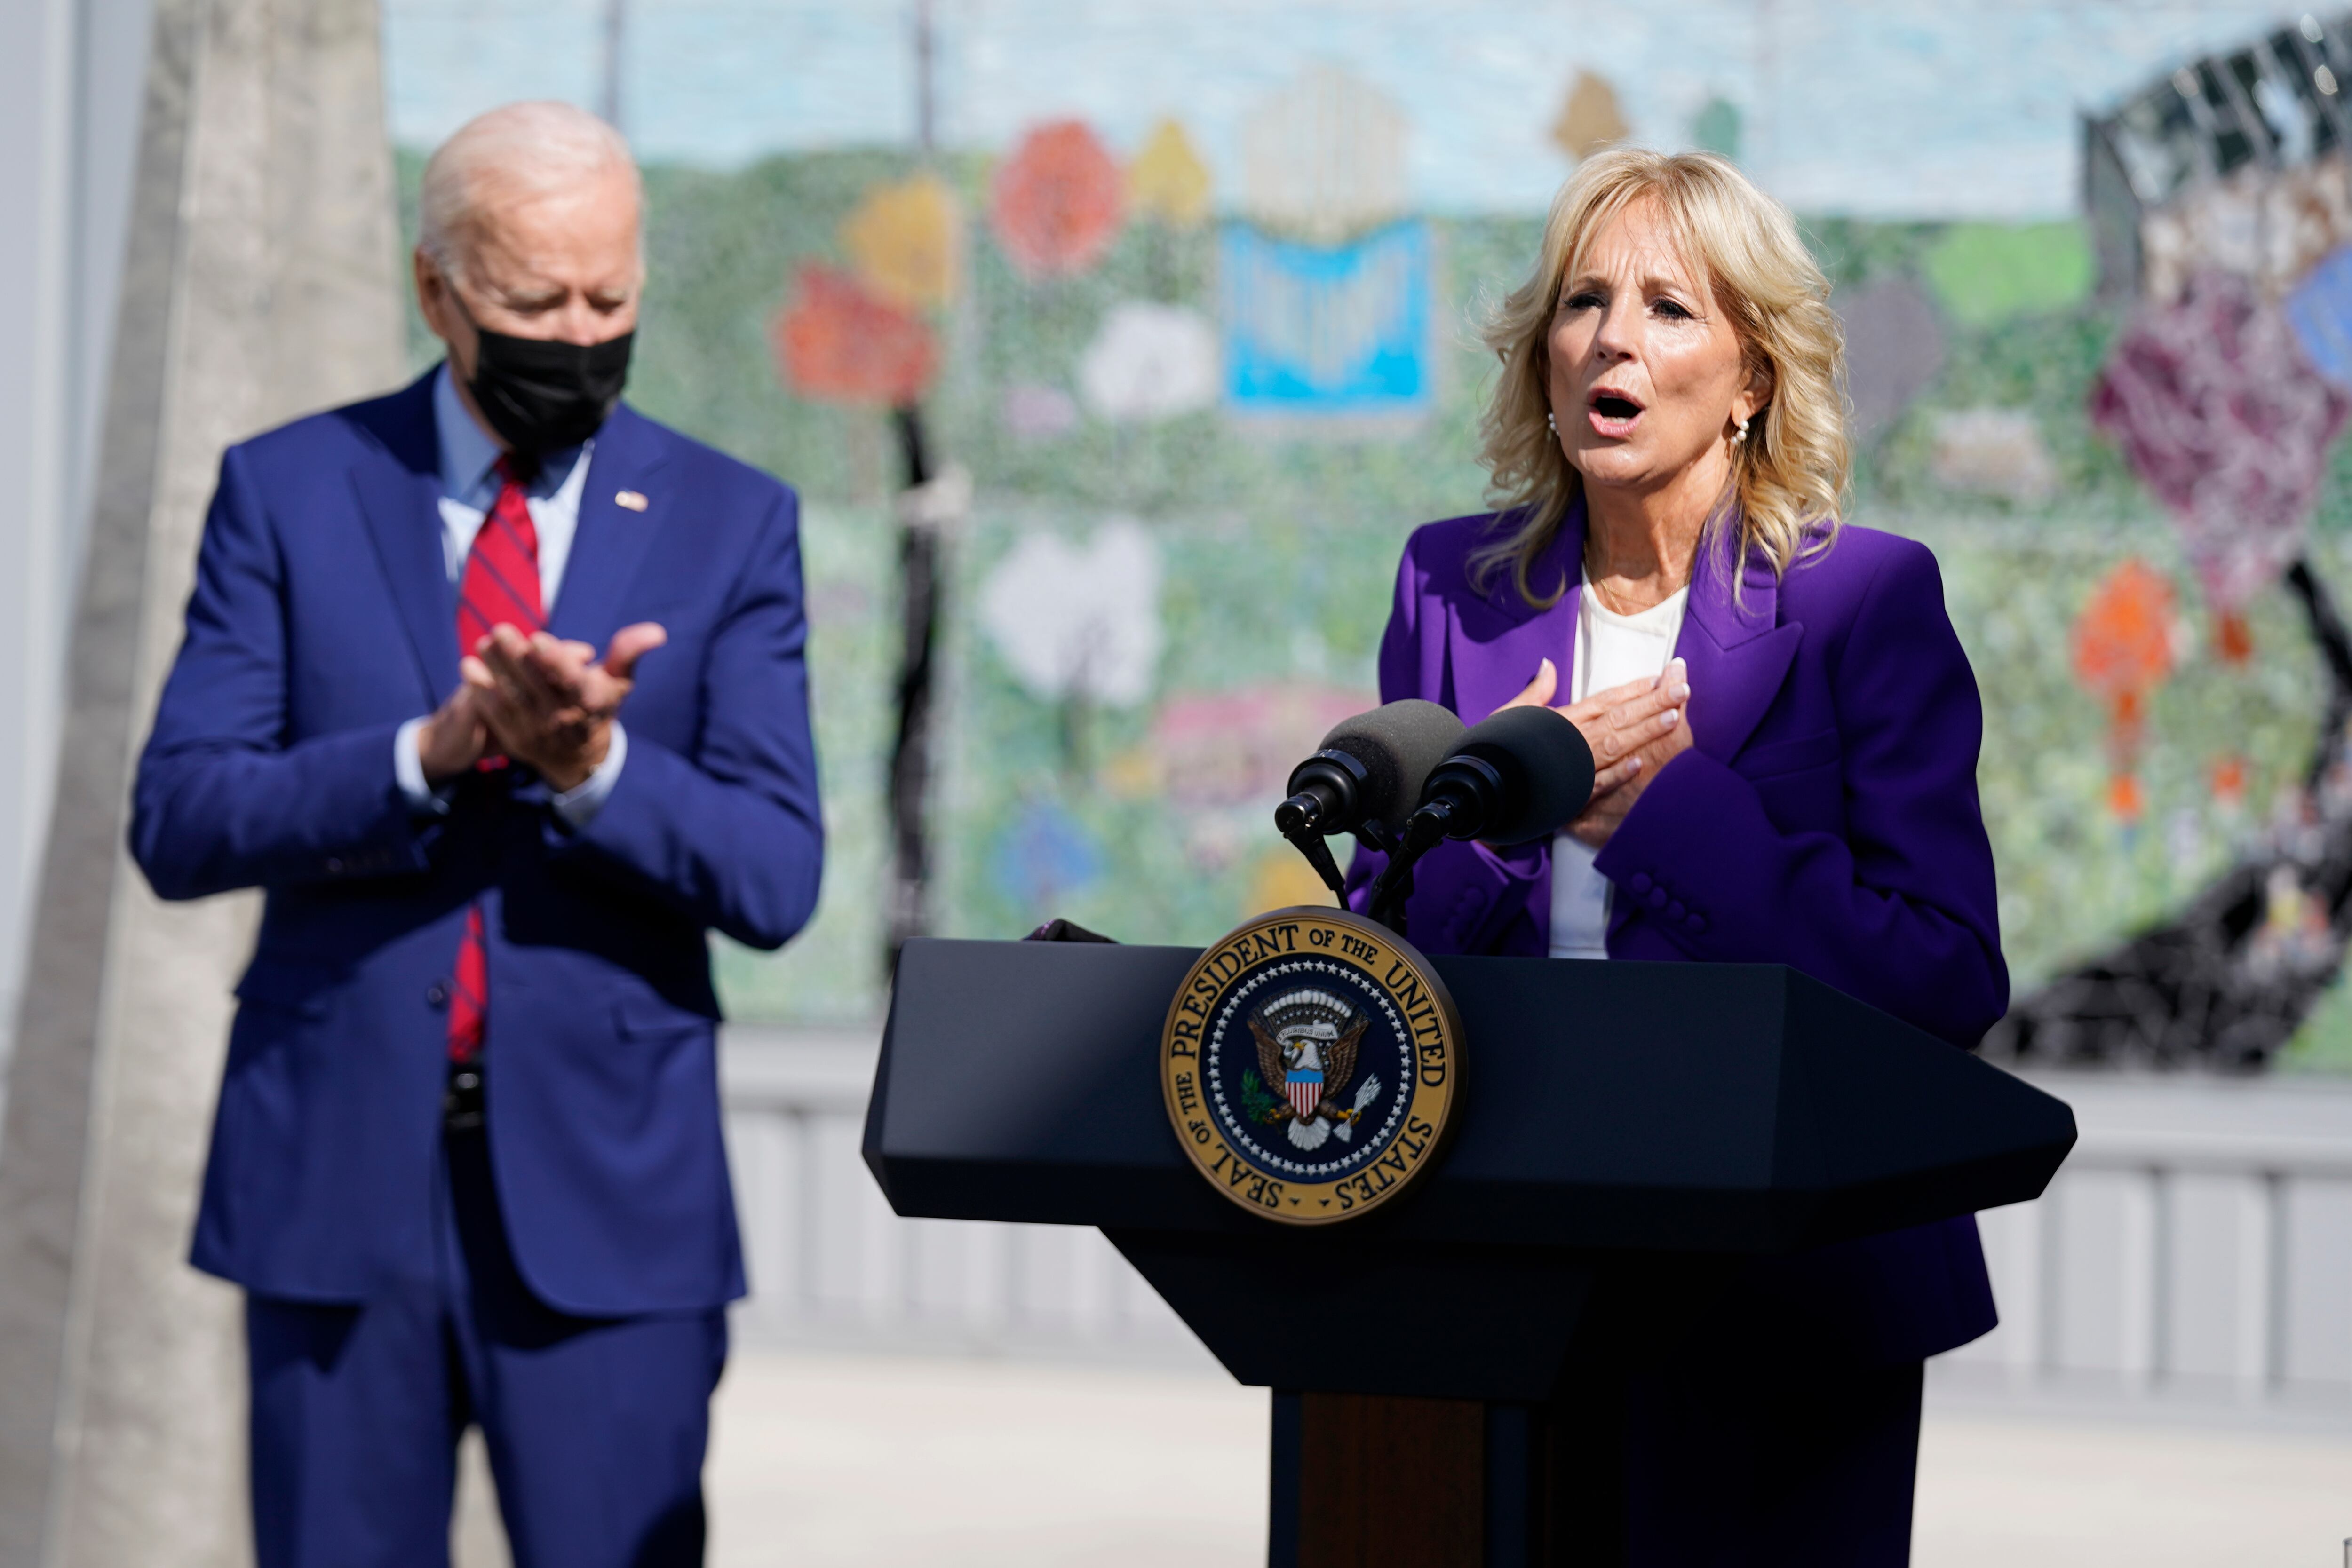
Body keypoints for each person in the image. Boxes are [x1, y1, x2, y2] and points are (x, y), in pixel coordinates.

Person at [130, 101, 822, 1568]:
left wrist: (595, 767)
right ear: (436, 286)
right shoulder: (290, 489)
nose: (576, 332)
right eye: (531, 300)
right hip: (334, 1193)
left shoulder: (730, 518)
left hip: (611, 1211)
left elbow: (777, 873)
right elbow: (182, 817)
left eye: (609, 297)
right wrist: (426, 756)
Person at [1345, 148, 2006, 1564]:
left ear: (1754, 376)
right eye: (1585, 302)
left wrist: (1669, 821)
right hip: (1501, 1267)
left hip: (1781, 1288)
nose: (1613, 340)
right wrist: (1494, 811)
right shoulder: (1451, 586)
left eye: (1668, 308)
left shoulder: (1866, 599)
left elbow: (1945, 975)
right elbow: (1382, 941)